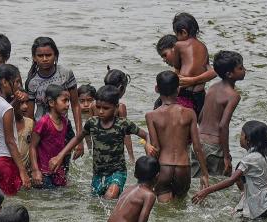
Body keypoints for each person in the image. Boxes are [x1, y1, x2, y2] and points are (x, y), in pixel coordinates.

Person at [51, 85, 154, 199]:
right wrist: (60, 155)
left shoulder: (123, 124)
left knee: (111, 195)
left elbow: (147, 135)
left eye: (105, 108)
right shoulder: (92, 123)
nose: (100, 111)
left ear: (115, 108)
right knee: (96, 202)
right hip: (98, 173)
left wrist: (148, 144)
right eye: (98, 107)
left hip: (117, 171)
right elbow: (77, 138)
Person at [192, 121, 267, 219]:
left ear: (248, 139)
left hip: (258, 210)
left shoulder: (250, 159)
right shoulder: (262, 156)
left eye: (241, 134)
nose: (240, 137)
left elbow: (231, 180)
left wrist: (206, 191)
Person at [145, 71, 208, 202]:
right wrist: (204, 174)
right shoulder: (190, 113)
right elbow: (197, 146)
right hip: (183, 167)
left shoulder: (151, 116)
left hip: (163, 167)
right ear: (178, 89)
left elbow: (155, 148)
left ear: (157, 89)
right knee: (180, 206)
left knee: (166, 212)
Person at [24, 37, 84, 156]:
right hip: (41, 130)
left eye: (48, 55)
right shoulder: (32, 81)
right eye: (40, 56)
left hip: (63, 128)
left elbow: (75, 105)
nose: (45, 59)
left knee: (63, 167)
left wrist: (79, 137)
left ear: (55, 56)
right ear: (34, 58)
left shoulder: (65, 74)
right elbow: (29, 115)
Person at [0, 64, 31, 195]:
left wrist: (14, 100)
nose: (19, 86)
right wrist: (23, 171)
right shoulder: (7, 109)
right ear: (4, 82)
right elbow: (10, 141)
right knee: (9, 202)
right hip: (4, 162)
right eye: (16, 82)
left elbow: (1, 112)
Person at [194, 50, 246, 177]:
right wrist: (226, 156)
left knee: (198, 182)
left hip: (198, 142)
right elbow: (223, 126)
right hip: (214, 148)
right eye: (240, 68)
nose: (245, 69)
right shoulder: (233, 96)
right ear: (229, 74)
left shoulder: (212, 88)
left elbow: (200, 117)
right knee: (217, 185)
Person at [29, 84, 74, 188]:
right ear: (51, 102)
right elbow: (32, 147)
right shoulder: (43, 122)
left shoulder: (65, 121)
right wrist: (35, 171)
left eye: (68, 101)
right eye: (64, 101)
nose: (68, 105)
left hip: (58, 171)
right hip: (44, 173)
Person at [103, 67, 135, 164]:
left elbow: (88, 132)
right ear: (121, 88)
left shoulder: (94, 105)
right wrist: (131, 157)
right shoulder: (120, 108)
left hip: (99, 151)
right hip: (115, 153)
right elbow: (126, 134)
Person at [15, 98, 34, 175]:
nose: (25, 106)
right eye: (21, 103)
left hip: (26, 170)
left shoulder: (30, 123)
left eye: (27, 102)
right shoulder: (7, 123)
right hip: (10, 167)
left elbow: (33, 147)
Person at [77, 84, 97, 150]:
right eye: (82, 101)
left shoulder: (98, 115)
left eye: (90, 100)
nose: (86, 104)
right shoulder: (76, 115)